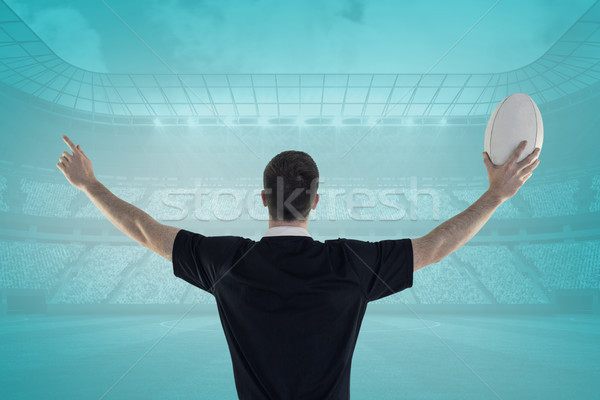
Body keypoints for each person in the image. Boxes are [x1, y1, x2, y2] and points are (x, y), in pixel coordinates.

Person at [56, 135, 540, 399]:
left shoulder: (228, 262)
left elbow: (144, 229)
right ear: (316, 201)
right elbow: (435, 245)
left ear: (264, 197)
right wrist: (496, 195)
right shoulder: (351, 264)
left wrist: (89, 187)